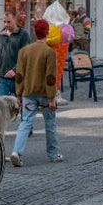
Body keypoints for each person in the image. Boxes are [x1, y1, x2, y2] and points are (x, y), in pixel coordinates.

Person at [10, 19, 63, 166]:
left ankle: (16, 152)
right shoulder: (49, 51)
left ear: (34, 32)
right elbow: (50, 78)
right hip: (45, 94)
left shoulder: (24, 51)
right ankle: (53, 154)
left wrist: (19, 95)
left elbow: (19, 76)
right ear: (47, 32)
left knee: (25, 122)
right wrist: (52, 98)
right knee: (50, 123)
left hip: (28, 93)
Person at [0, 11, 29, 97]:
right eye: (4, 22)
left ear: (15, 20)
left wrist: (15, 70)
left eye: (9, 22)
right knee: (1, 106)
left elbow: (26, 57)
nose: (6, 24)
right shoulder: (1, 34)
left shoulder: (23, 35)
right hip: (2, 77)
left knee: (17, 107)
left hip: (17, 78)